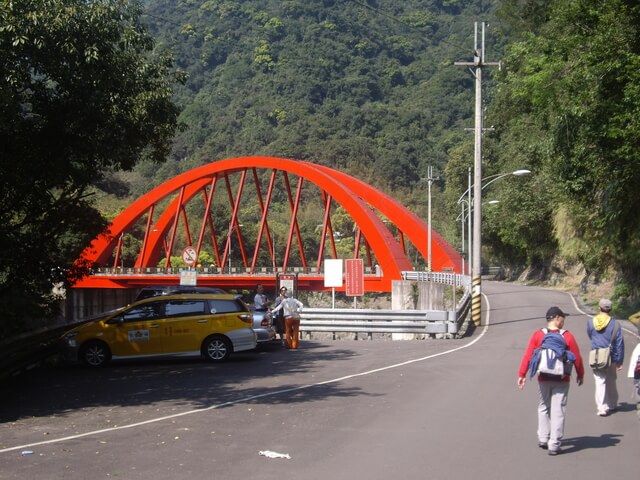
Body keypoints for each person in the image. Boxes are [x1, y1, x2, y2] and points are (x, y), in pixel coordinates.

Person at [517, 306, 584, 456]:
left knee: (543, 407)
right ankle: (554, 443)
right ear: (557, 318)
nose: (564, 321)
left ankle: (543, 437)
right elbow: (577, 358)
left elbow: (528, 355)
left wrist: (522, 374)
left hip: (543, 377)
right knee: (558, 409)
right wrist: (580, 374)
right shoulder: (567, 336)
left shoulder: (538, 335)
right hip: (562, 378)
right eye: (563, 318)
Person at [587, 298, 624, 416]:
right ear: (611, 309)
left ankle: (602, 407)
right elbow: (619, 343)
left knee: (599, 381)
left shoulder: (591, 322)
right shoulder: (615, 324)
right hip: (611, 356)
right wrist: (620, 360)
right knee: (611, 380)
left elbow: (590, 335)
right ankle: (612, 404)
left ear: (599, 308)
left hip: (597, 355)